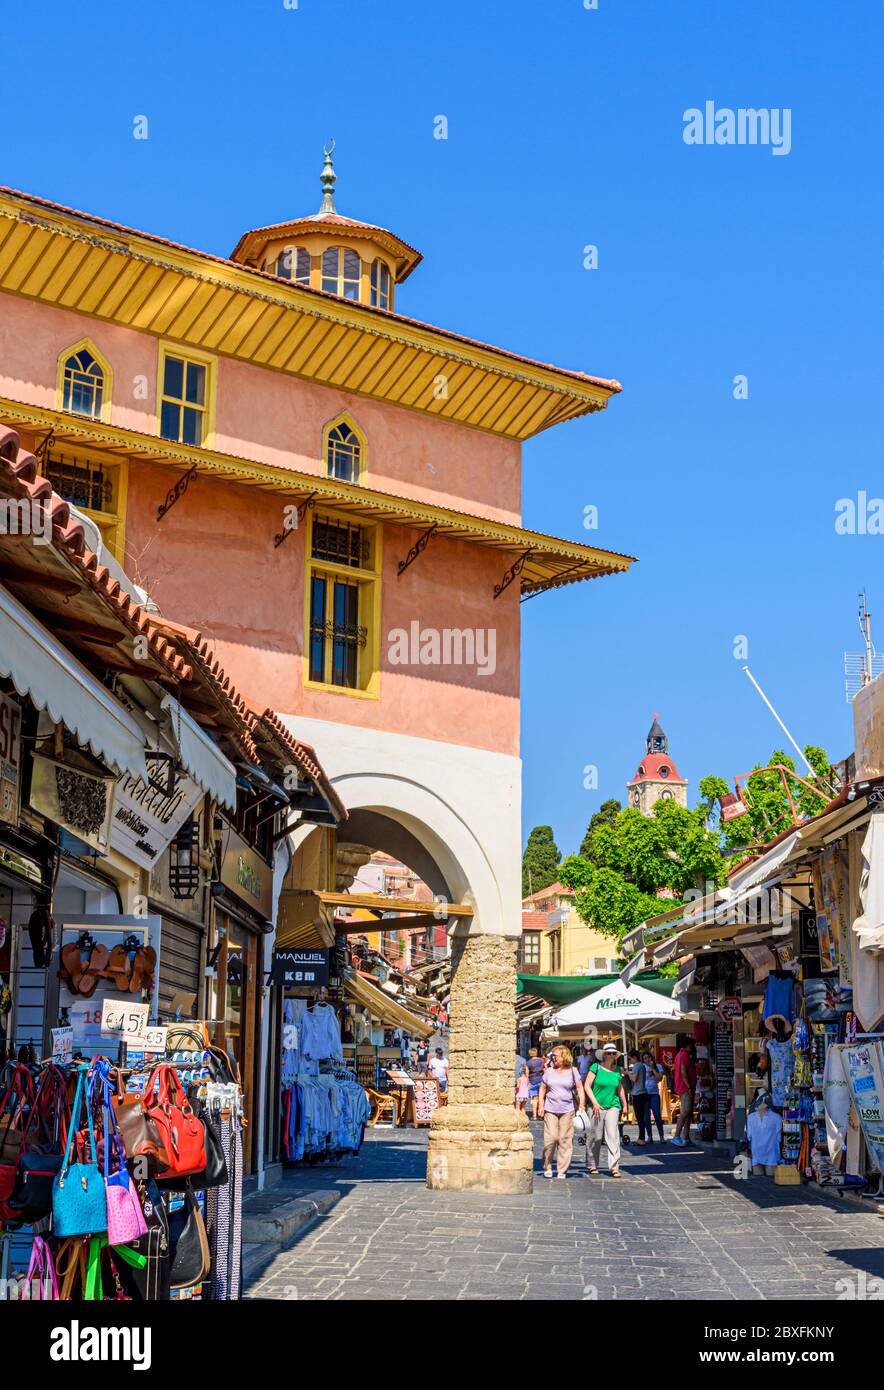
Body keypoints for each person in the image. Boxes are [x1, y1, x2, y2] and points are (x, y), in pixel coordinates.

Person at [537, 1044, 586, 1179]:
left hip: (567, 1110)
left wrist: (581, 1104)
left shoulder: (573, 1071)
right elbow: (542, 1089)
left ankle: (561, 1170)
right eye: (552, 1056)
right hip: (550, 1109)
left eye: (555, 1056)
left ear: (564, 1056)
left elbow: (580, 1088)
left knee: (565, 1139)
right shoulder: (549, 1071)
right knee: (551, 1139)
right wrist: (541, 1106)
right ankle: (547, 1165)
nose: (553, 1058)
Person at [584, 1043, 627, 1178]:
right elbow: (586, 1086)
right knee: (595, 1137)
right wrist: (595, 1103)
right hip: (596, 1106)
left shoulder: (618, 1070)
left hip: (613, 1106)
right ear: (603, 1055)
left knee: (612, 1135)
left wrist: (624, 1104)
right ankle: (592, 1164)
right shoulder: (595, 1067)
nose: (611, 1055)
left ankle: (614, 1166)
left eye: (614, 1053)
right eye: (609, 1053)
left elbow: (619, 1088)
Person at [669, 1035, 697, 1147]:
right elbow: (683, 1071)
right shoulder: (684, 1055)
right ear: (689, 1046)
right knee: (685, 1112)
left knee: (688, 1112)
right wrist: (689, 1086)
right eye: (692, 1046)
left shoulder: (679, 1055)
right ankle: (676, 1136)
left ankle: (686, 1137)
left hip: (682, 1087)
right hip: (685, 1088)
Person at [627, 1049, 651, 1145]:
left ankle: (641, 1139)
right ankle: (642, 1138)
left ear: (634, 1058)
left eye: (630, 1059)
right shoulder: (642, 1066)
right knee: (642, 1117)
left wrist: (627, 1072)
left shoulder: (637, 1066)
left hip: (638, 1094)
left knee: (639, 1117)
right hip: (643, 1092)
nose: (629, 1061)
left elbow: (634, 1078)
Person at [642, 1050, 666, 1143]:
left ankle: (661, 1136)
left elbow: (659, 1078)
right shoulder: (642, 1067)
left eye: (648, 1057)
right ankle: (650, 1136)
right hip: (645, 1094)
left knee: (657, 1115)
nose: (647, 1059)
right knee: (646, 1117)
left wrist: (652, 1068)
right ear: (643, 1060)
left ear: (651, 1057)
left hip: (654, 1094)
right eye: (645, 1058)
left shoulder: (658, 1066)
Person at [526, 1046, 546, 1119]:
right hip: (541, 1080)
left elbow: (527, 1074)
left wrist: (528, 1084)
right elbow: (545, 1070)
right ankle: (541, 1114)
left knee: (534, 1099)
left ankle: (534, 1116)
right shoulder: (541, 1061)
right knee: (541, 1098)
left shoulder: (528, 1063)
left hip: (532, 1081)